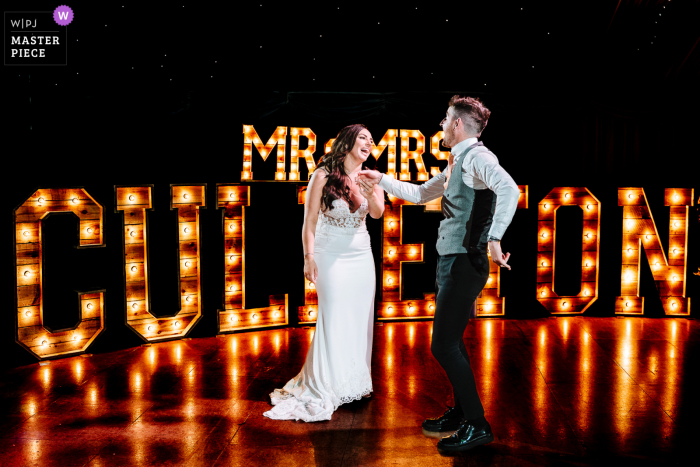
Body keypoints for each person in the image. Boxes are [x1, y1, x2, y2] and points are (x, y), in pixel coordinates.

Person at [357, 96, 519, 451]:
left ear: (458, 124)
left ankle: (478, 425)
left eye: (445, 118)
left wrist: (494, 237)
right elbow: (418, 194)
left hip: (465, 262)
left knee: (442, 345)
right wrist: (381, 179)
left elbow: (510, 189)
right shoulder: (457, 162)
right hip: (452, 261)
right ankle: (462, 414)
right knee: (453, 342)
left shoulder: (478, 157)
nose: (441, 124)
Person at [263, 124, 384, 422]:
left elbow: (378, 213)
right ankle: (325, 383)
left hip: (361, 256)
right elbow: (309, 221)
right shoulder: (322, 175)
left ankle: (355, 383)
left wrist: (372, 193)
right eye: (362, 138)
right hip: (330, 256)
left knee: (360, 318)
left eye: (371, 139)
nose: (369, 143)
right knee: (333, 316)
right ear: (346, 143)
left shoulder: (370, 175)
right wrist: (309, 257)